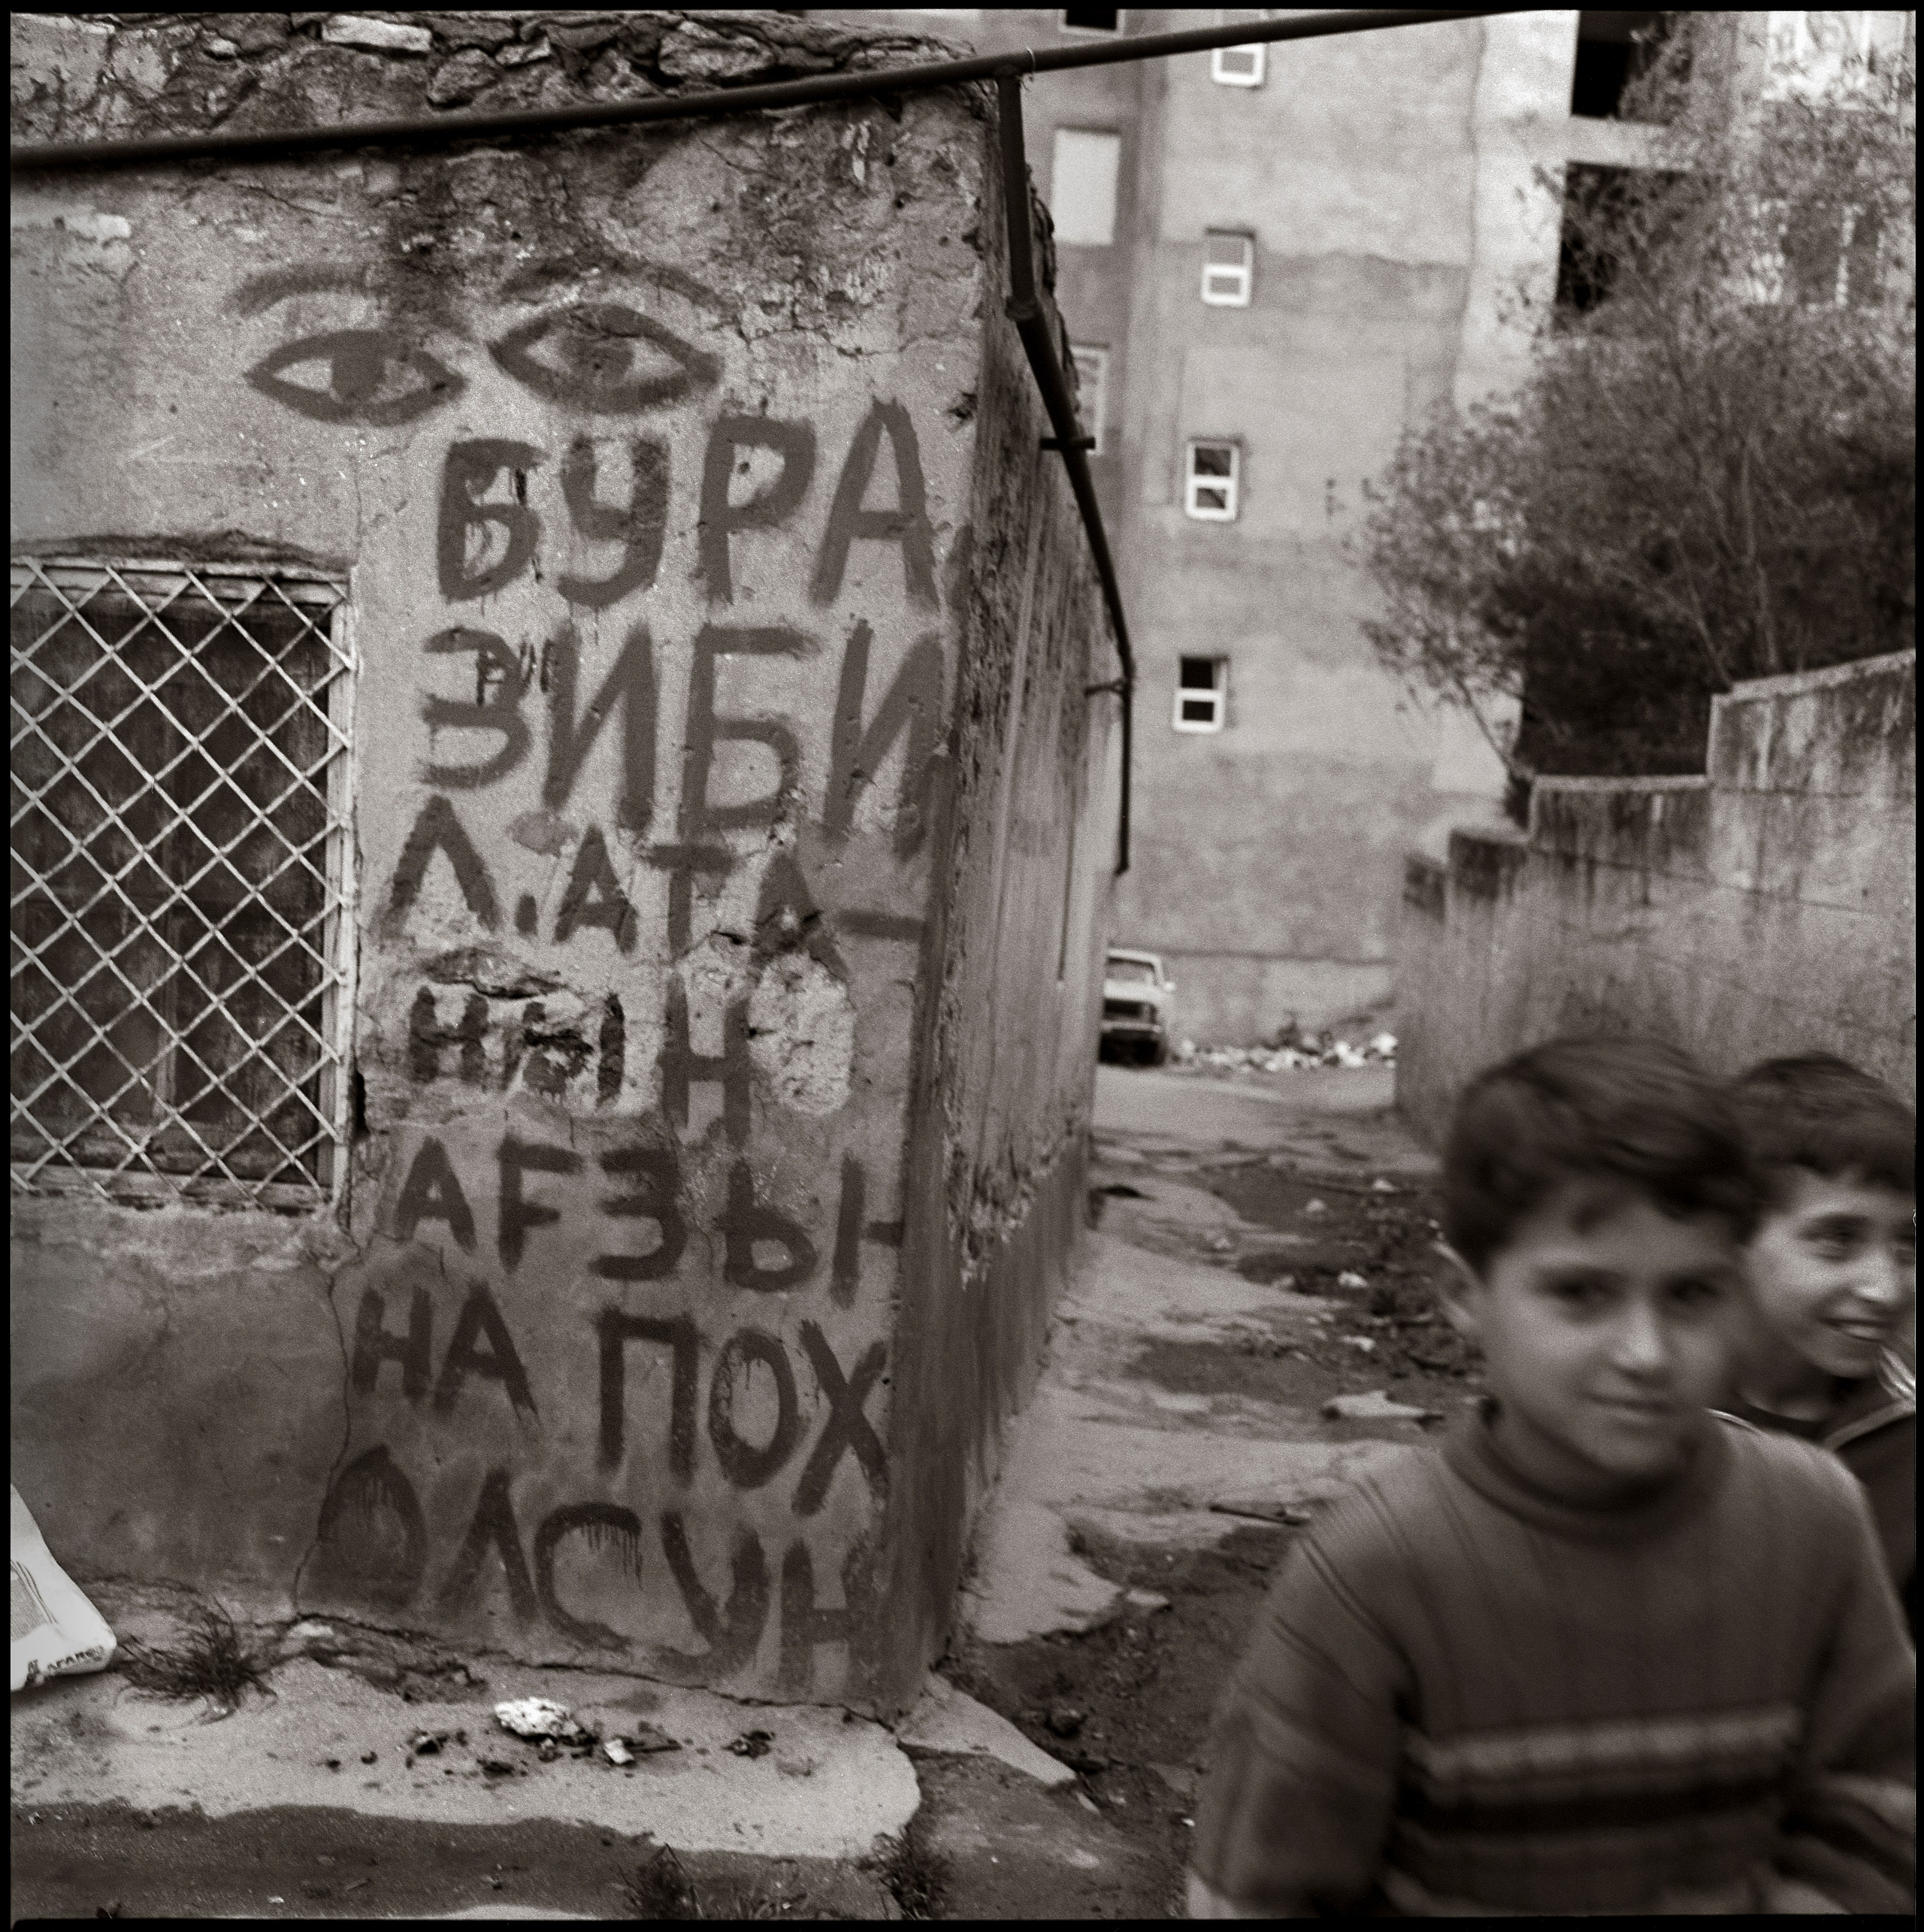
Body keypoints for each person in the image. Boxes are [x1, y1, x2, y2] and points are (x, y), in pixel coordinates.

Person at [1186, 1036, 1915, 1918]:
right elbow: (1260, 1893)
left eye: (1690, 1295)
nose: (1645, 1354)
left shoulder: (1814, 1521)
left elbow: (1874, 1798)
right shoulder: (1371, 1579)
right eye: (1581, 1294)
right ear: (1464, 1295)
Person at [1719, 1054, 1916, 1628]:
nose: (1886, 1287)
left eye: (1907, 1245)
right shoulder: (1651, 1424)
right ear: (1731, 1237)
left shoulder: (1905, 1438)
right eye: (1837, 1240)